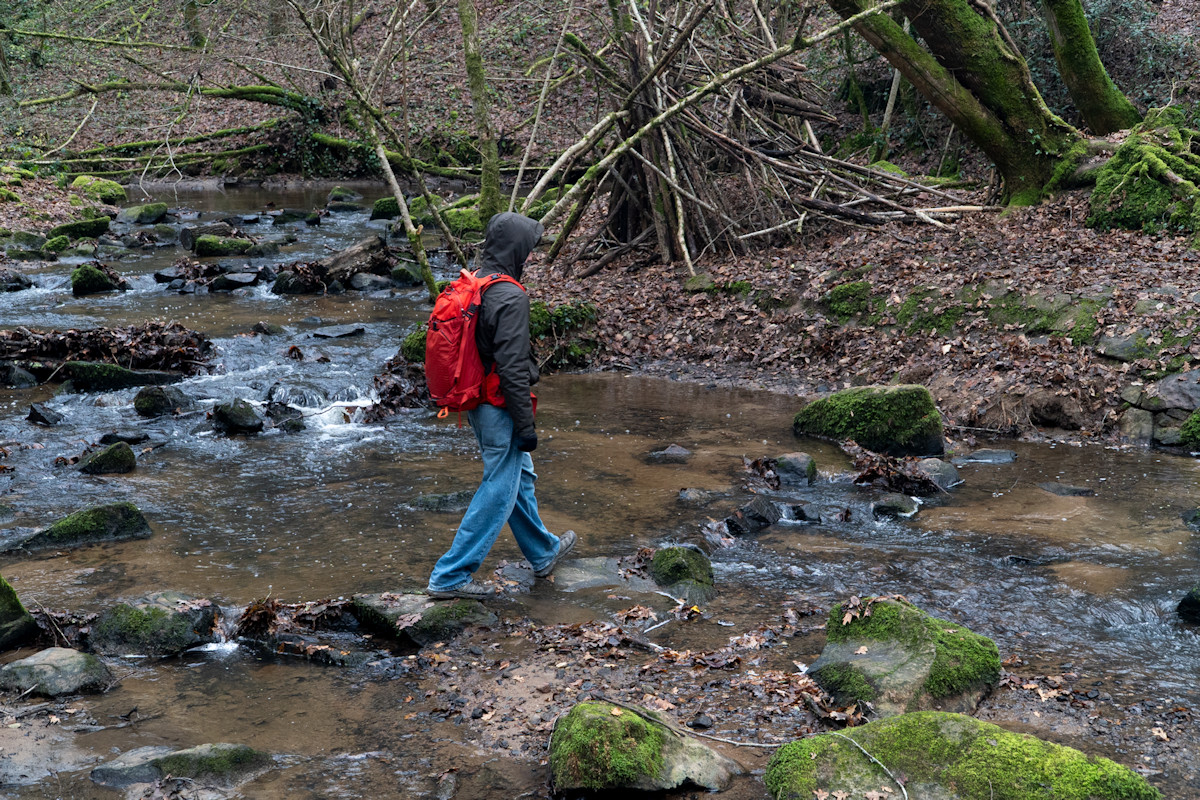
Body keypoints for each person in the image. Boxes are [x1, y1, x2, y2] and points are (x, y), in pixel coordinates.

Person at [426, 212, 576, 599]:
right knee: (499, 487)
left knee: (517, 479)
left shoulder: (476, 282)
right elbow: (511, 370)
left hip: (475, 401)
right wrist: (525, 427)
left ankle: (543, 553)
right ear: (519, 252)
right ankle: (450, 574)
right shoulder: (510, 296)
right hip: (498, 405)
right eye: (529, 248)